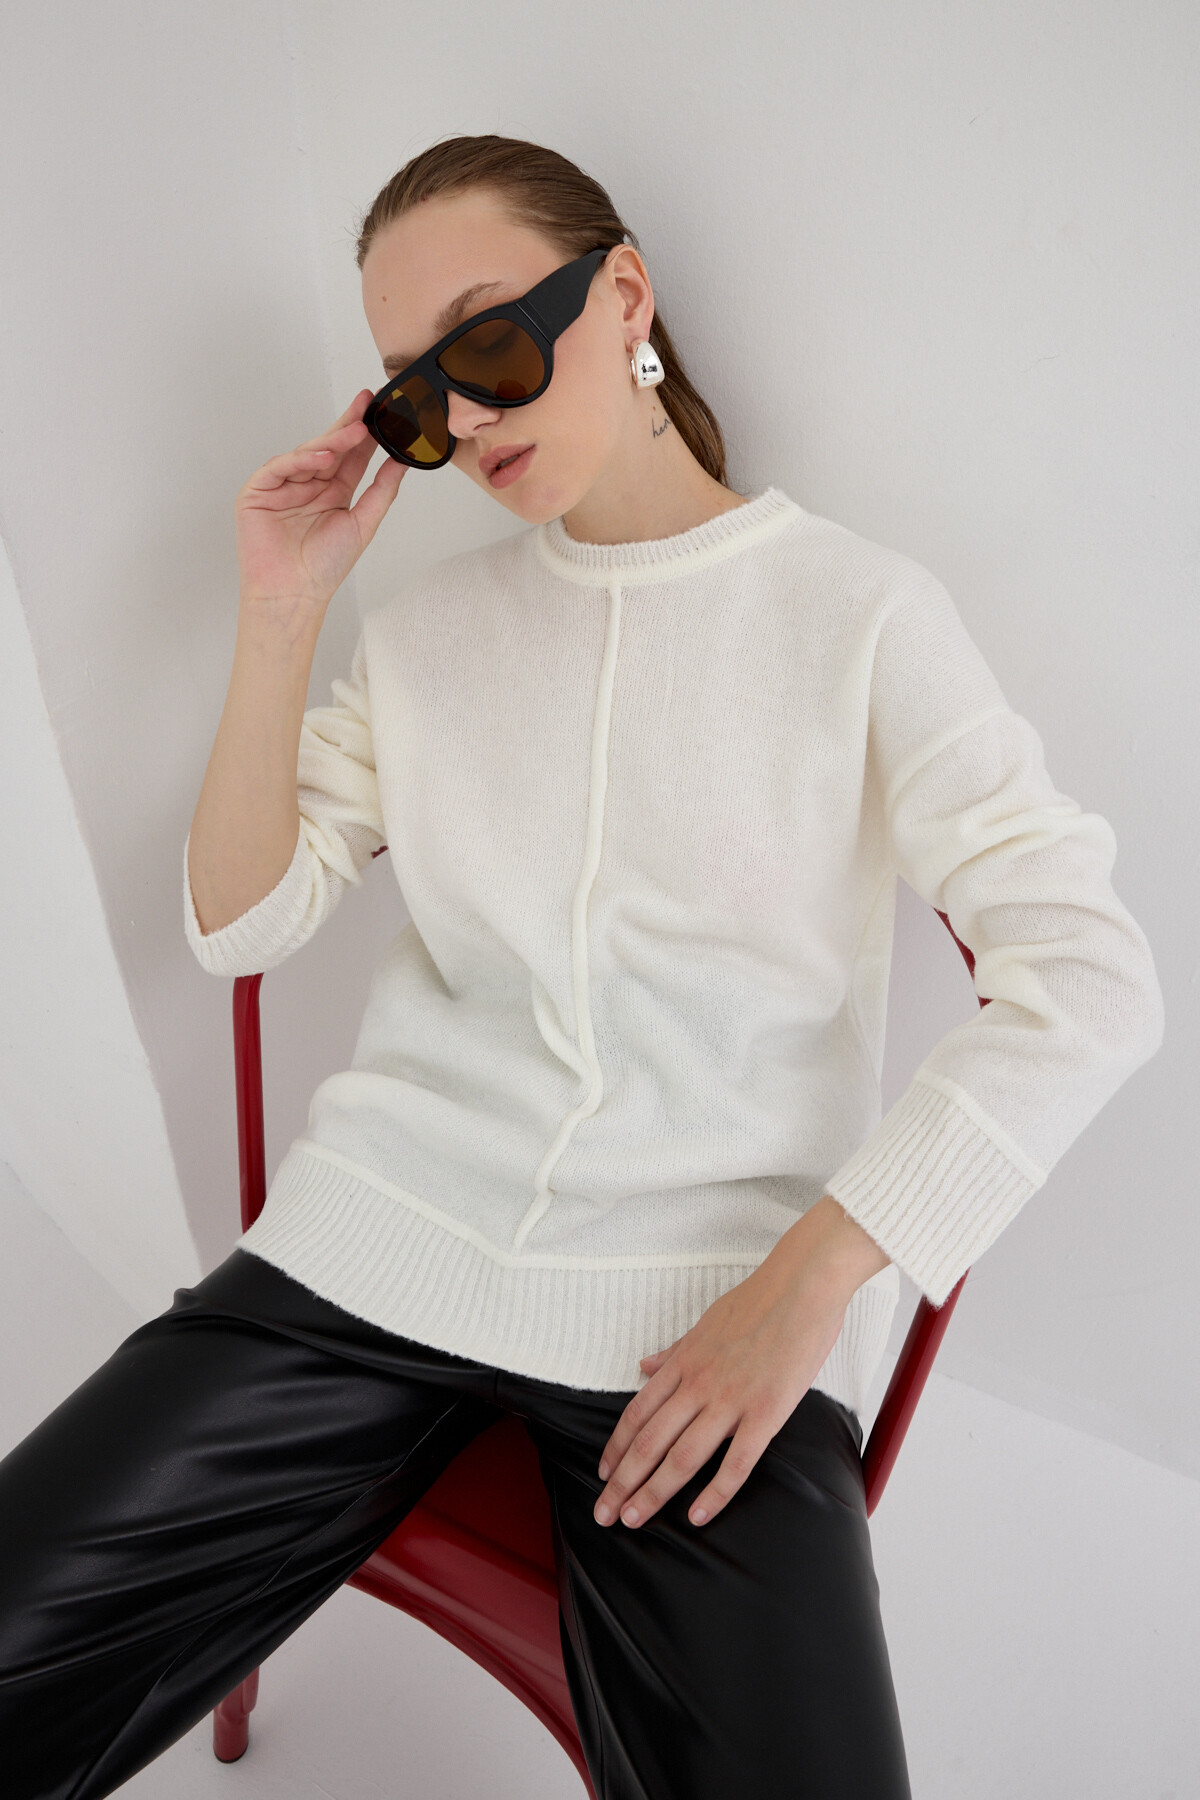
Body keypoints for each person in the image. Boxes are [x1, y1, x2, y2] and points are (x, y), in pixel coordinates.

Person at [0, 133, 1164, 1800]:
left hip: (705, 1324)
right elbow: (241, 926)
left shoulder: (859, 616)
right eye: (416, 398)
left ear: (624, 293)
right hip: (364, 1261)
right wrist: (281, 611)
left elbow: (1091, 974)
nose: (465, 420)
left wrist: (813, 1281)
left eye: (488, 343)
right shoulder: (425, 638)